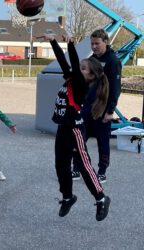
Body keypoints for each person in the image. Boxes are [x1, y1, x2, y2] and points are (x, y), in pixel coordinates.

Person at [45, 33, 111, 221]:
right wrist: (52, 41)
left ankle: (101, 198)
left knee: (84, 166)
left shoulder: (82, 85)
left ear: (89, 76)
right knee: (61, 166)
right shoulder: (71, 80)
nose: (78, 69)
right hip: (63, 129)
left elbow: (73, 63)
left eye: (83, 68)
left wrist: (71, 44)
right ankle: (68, 197)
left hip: (75, 131)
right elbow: (63, 60)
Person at [71, 29, 122, 183]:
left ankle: (102, 171)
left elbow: (115, 88)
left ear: (105, 42)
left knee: (102, 142)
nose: (94, 46)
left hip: (102, 109)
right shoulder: (92, 59)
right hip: (87, 108)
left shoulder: (113, 61)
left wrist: (110, 110)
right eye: (92, 44)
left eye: (97, 43)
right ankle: (77, 168)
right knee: (80, 139)